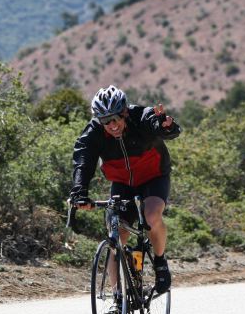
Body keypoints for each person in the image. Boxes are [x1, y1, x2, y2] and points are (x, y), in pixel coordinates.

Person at [69, 85, 182, 297]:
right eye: (104, 121)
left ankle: (159, 261)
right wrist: (79, 192)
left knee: (151, 215)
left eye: (114, 119)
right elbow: (83, 161)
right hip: (122, 183)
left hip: (154, 176)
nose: (111, 125)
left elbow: (161, 127)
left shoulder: (141, 117)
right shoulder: (94, 132)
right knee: (115, 237)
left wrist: (167, 127)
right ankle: (117, 297)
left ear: (124, 112)